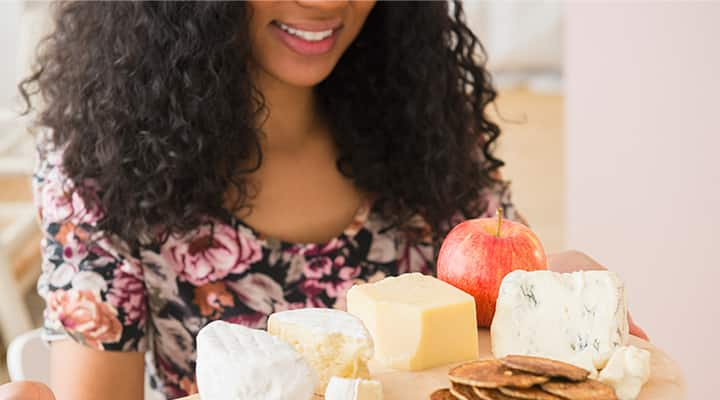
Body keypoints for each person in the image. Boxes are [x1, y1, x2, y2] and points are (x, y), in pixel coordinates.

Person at [3, 1, 646, 400]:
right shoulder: (100, 175)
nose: (328, 2)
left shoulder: (433, 133)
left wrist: (557, 295)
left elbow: (504, 328)